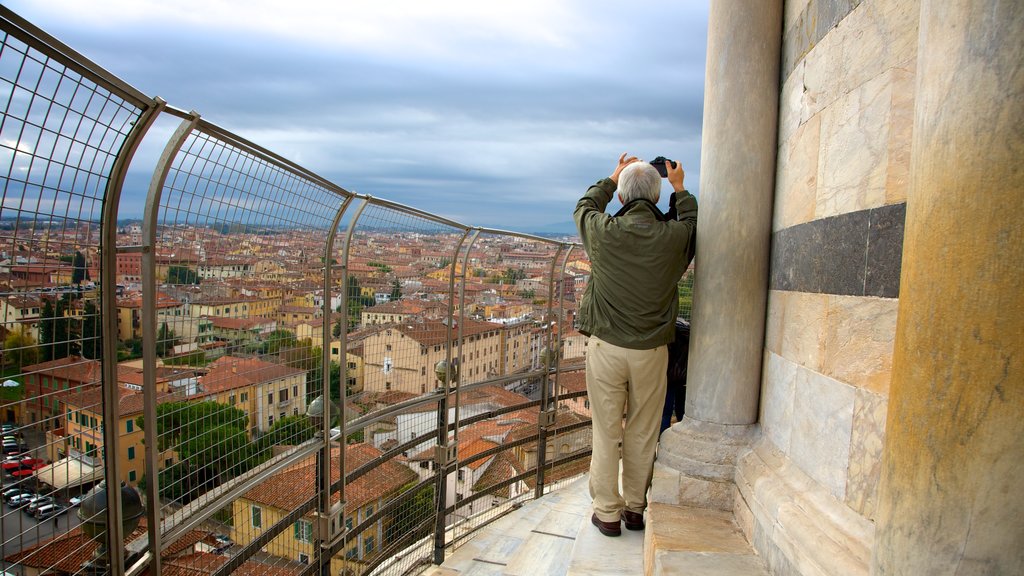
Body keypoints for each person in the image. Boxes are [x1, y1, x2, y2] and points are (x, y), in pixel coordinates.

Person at [574, 153, 697, 537]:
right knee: (643, 429)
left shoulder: (603, 231)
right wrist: (679, 188)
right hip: (652, 350)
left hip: (607, 347)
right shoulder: (674, 237)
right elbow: (692, 223)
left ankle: (607, 512)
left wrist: (612, 178)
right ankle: (634, 508)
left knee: (606, 429)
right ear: (657, 198)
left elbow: (584, 206)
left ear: (623, 198)